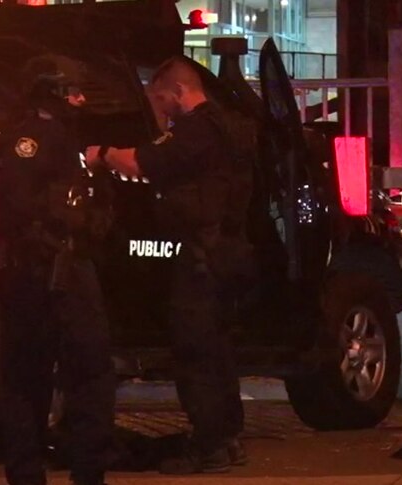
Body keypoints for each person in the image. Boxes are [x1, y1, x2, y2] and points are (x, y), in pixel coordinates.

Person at [84, 56, 255, 475]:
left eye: (161, 99)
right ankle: (227, 439)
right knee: (218, 351)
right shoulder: (227, 127)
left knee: (195, 352)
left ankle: (210, 446)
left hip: (201, 256)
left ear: (179, 91)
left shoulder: (196, 131)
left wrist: (101, 153)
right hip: (225, 253)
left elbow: (142, 162)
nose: (159, 108)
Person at [0, 54, 115, 485]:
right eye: (72, 91)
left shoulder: (60, 137)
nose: (81, 99)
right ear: (53, 93)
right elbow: (21, 209)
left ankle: (84, 469)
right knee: (35, 377)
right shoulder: (31, 140)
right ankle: (36, 473)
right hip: (42, 271)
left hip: (66, 267)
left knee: (85, 372)